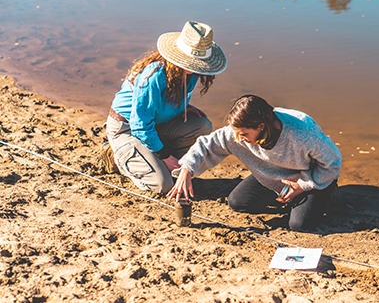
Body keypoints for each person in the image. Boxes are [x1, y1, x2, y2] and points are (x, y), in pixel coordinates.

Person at [167, 95, 342, 232]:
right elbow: (207, 145)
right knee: (238, 203)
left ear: (261, 126)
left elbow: (333, 162)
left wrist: (303, 185)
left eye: (243, 134)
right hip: (273, 177)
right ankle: (288, 201)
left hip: (308, 179)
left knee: (299, 225)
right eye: (237, 133)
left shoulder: (302, 133)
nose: (238, 139)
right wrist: (187, 170)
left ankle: (327, 194)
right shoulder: (239, 130)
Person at [103, 21, 227, 193]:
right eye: (191, 61)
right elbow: (140, 126)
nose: (194, 66)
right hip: (128, 128)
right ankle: (119, 159)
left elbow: (166, 98)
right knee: (163, 185)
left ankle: (150, 159)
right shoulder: (153, 77)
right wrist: (167, 157)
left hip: (154, 124)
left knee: (202, 125)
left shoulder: (191, 72)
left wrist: (181, 107)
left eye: (198, 62)